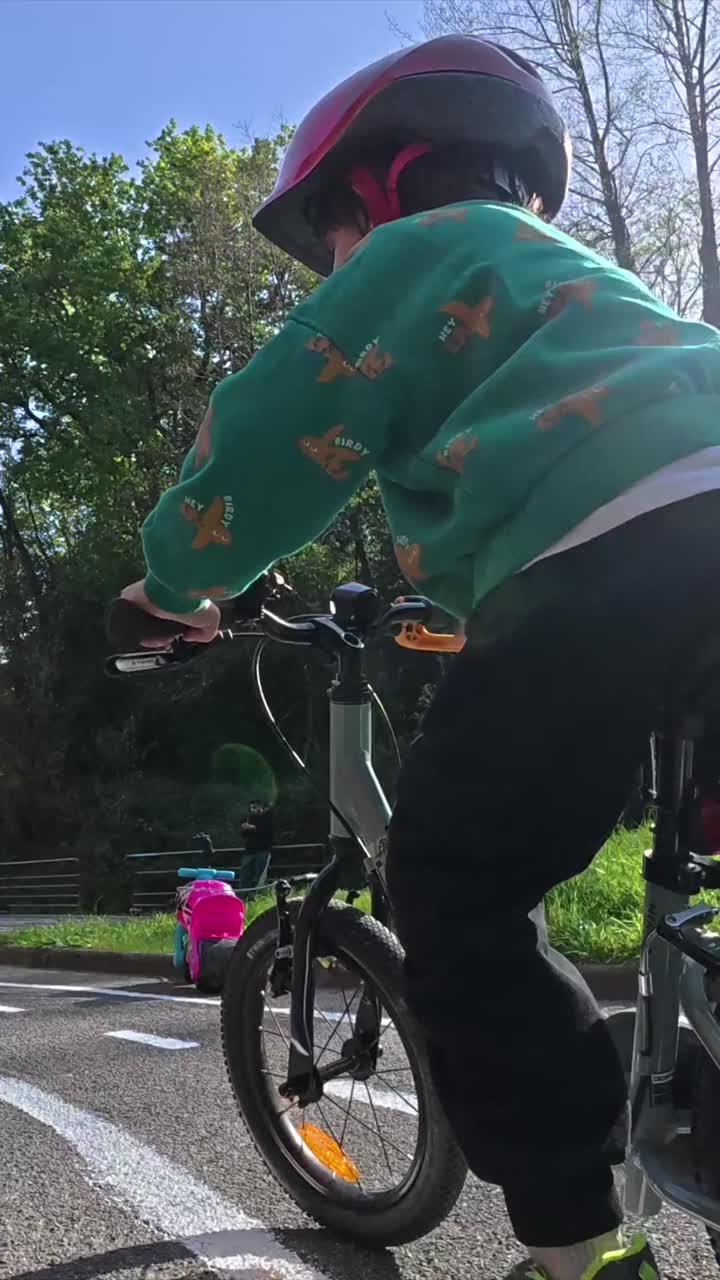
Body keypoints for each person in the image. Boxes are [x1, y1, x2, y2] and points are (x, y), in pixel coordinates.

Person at [116, 34, 720, 1279]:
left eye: (328, 239)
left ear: (377, 193)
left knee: (455, 880)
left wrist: (178, 581)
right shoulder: (589, 286)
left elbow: (280, 431)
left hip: (608, 560)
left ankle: (580, 1249)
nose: (337, 266)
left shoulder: (414, 254)